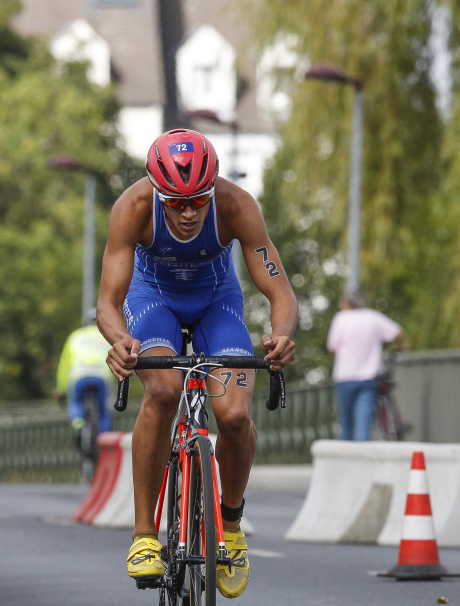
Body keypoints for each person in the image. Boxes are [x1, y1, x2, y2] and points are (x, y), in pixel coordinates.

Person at [99, 128, 297, 599]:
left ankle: (230, 528)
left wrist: (282, 335)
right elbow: (108, 300)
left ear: (213, 190)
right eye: (175, 203)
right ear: (156, 192)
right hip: (154, 303)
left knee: (233, 414)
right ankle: (145, 535)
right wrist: (120, 340)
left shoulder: (236, 205)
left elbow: (279, 291)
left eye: (197, 202)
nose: (188, 213)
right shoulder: (131, 208)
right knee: (164, 391)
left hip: (217, 302)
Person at [326, 288, 404, 441]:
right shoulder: (373, 317)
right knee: (364, 418)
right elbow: (398, 332)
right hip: (368, 377)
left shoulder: (340, 319)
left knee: (346, 419)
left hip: (344, 376)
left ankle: (346, 455)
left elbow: (332, 347)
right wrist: (400, 348)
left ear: (347, 302)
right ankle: (361, 454)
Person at [56, 316, 114, 443]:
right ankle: (105, 441)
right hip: (101, 375)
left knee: (75, 402)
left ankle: (78, 425)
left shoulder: (76, 336)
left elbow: (64, 365)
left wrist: (61, 388)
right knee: (103, 411)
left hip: (79, 374)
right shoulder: (107, 337)